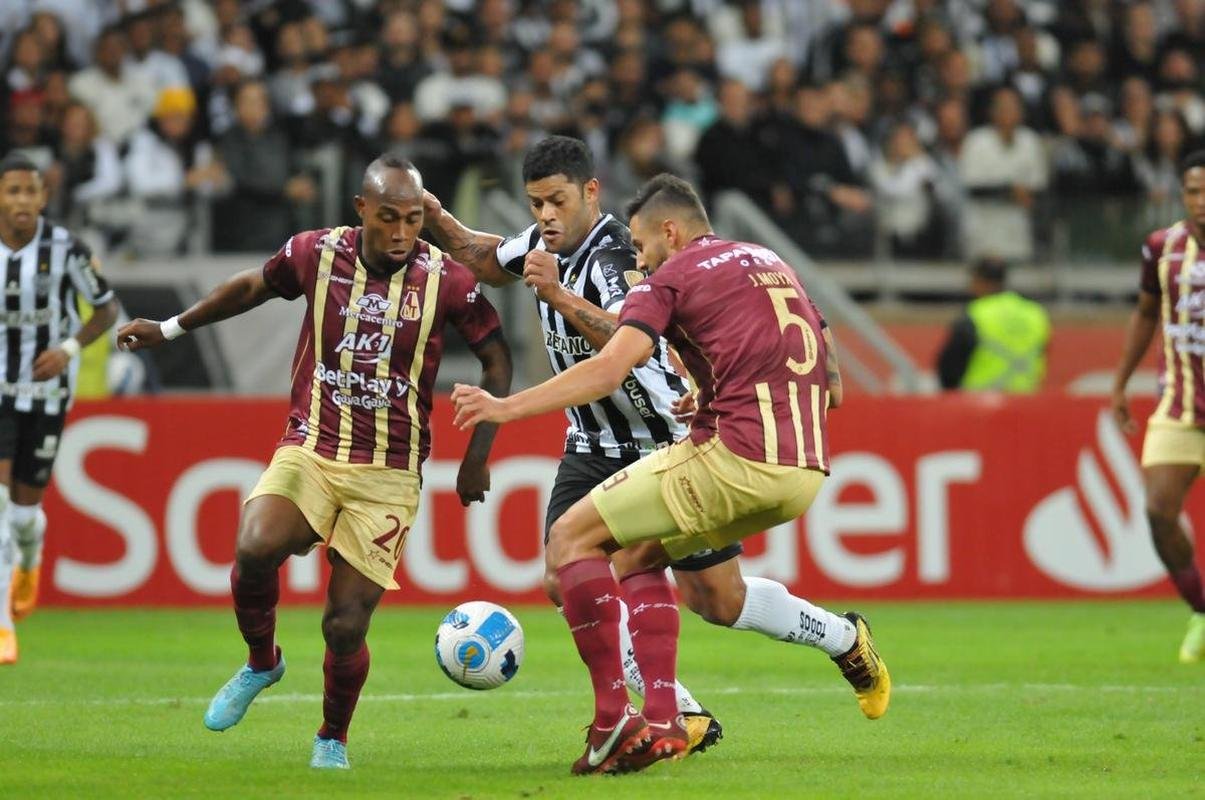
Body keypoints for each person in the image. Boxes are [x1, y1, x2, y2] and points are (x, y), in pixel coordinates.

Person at [450, 172, 891, 775]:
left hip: (728, 458)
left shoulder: (672, 274)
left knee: (572, 544)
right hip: (803, 472)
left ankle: (615, 722)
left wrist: (505, 408)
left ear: (668, 230)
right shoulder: (767, 260)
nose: (638, 259)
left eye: (642, 245)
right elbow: (832, 386)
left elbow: (609, 369)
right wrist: (716, 392)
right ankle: (677, 713)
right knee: (637, 561)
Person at [116, 155, 513, 767]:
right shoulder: (316, 253)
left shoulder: (448, 280)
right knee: (254, 548)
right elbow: (251, 286)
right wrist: (170, 329)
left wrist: (477, 456)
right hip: (312, 446)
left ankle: (331, 737)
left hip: (390, 469)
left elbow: (497, 362)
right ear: (361, 211)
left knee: (345, 625)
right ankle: (261, 662)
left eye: (413, 219)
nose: (403, 232)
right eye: (389, 218)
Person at [0, 154, 119, 665]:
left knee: (26, 515)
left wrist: (68, 349)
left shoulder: (66, 247)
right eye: (13, 191)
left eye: (31, 191)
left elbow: (107, 307)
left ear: (43, 198)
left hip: (48, 395)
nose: (23, 200)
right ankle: (3, 625)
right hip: (0, 392)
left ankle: (31, 555)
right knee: (1, 510)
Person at [1111, 150, 1205, 664]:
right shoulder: (1162, 249)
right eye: (1193, 191)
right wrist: (1120, 383)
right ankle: (1202, 611)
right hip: (1181, 404)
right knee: (1157, 510)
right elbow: (1146, 313)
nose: (1202, 201)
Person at [936, 257, 1051, 392]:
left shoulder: (976, 313)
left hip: (980, 403)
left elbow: (949, 367)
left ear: (980, 280)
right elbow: (1042, 352)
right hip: (1025, 403)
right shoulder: (1035, 313)